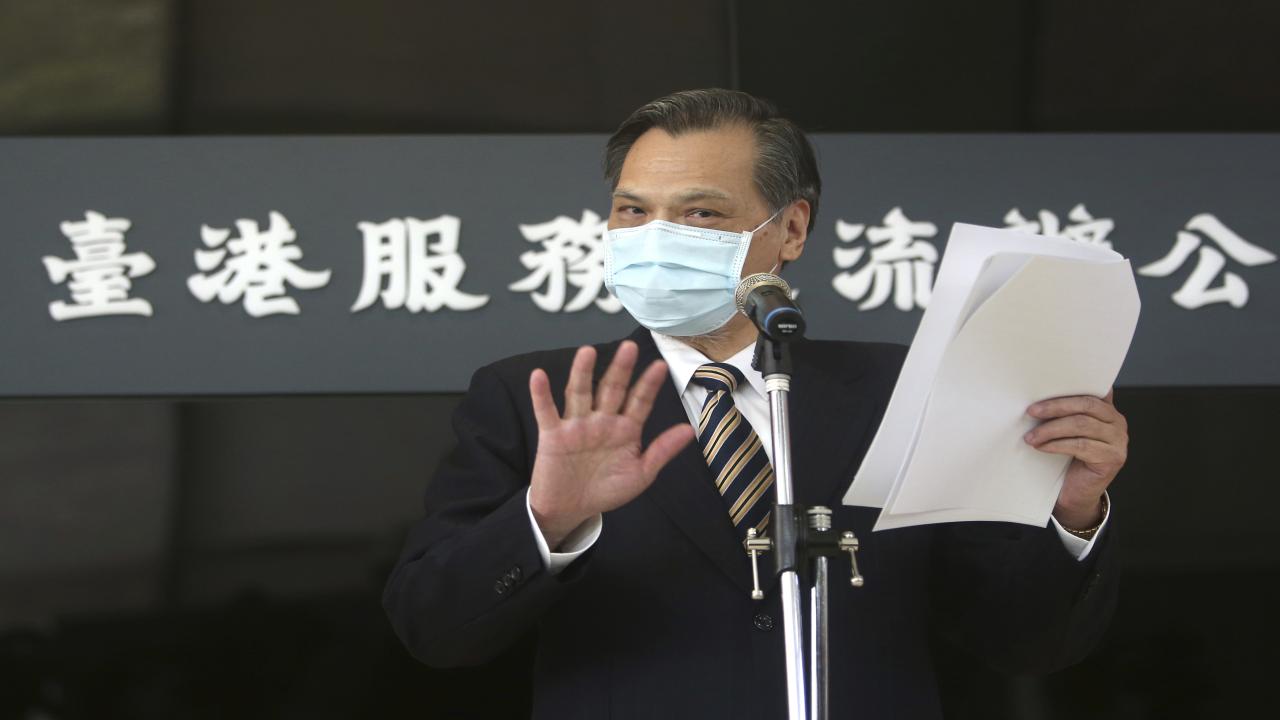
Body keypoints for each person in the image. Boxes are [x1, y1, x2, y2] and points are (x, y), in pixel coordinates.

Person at [383, 89, 1125, 719]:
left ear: (791, 229)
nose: (655, 238)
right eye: (632, 210)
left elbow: (1024, 643)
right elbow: (433, 631)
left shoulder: (902, 389)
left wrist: (1071, 514)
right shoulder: (534, 397)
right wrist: (545, 523)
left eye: (700, 213)